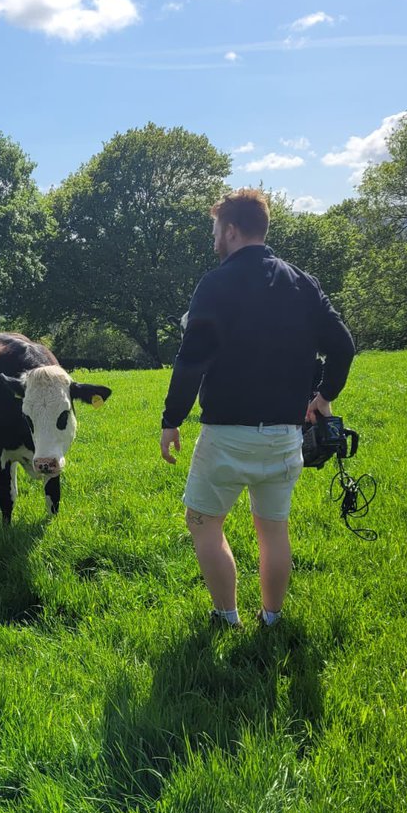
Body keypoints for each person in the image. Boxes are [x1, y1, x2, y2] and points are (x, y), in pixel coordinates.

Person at [160, 188, 354, 629]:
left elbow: (191, 360)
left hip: (225, 437)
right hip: (286, 438)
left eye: (215, 230)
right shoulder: (303, 283)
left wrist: (171, 420)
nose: (214, 240)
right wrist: (323, 398)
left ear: (230, 230)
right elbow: (343, 346)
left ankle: (227, 617)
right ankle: (271, 619)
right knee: (273, 530)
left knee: (204, 525)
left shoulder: (214, 284)